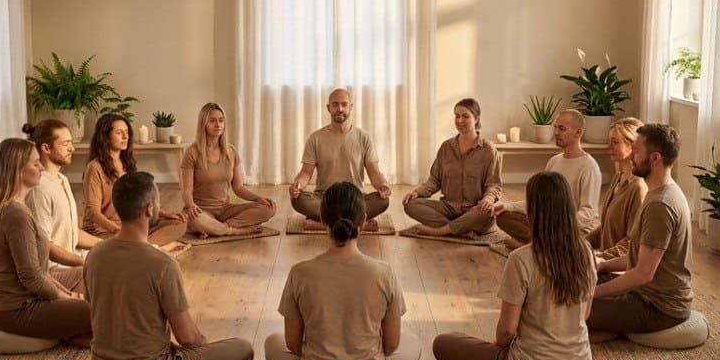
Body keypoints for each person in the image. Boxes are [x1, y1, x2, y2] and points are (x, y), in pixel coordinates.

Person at [84, 171, 253, 360]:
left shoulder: (94, 255)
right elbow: (188, 338)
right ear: (149, 209)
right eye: (158, 201)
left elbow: (94, 310)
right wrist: (204, 356)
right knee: (242, 349)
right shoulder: (162, 263)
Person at [433, 171, 594, 360]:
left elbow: (506, 332)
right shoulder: (587, 252)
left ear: (533, 211)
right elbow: (585, 314)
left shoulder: (522, 259)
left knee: (444, 343)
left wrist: (497, 352)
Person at [266, 182, 422, 360]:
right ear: (363, 221)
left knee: (273, 342)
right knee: (412, 343)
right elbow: (391, 346)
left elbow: (292, 344)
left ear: (321, 220)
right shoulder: (385, 273)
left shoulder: (299, 273)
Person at [0, 138, 92, 347]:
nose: (41, 167)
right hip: (16, 309)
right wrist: (66, 299)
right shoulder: (16, 216)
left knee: (87, 273)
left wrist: (68, 294)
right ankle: (79, 333)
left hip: (26, 299)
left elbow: (41, 272)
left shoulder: (18, 207)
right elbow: (31, 277)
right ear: (17, 170)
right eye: (35, 163)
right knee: (100, 311)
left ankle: (75, 332)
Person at [589, 123, 693, 339]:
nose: (631, 157)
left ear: (655, 158)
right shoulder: (657, 193)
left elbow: (643, 274)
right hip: (643, 293)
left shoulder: (660, 206)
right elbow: (639, 257)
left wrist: (591, 294)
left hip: (658, 306)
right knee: (574, 283)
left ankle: (607, 331)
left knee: (566, 307)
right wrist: (602, 265)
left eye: (636, 151)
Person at [288, 88, 392, 232]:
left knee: (383, 201)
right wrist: (297, 185)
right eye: (335, 105)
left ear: (351, 107)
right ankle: (357, 223)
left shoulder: (363, 137)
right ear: (328, 108)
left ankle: (323, 224)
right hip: (324, 198)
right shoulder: (315, 138)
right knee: (298, 200)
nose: (340, 109)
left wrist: (383, 186)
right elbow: (305, 173)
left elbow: (374, 172)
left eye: (344, 104)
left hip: (354, 198)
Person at [494, 110, 602, 247]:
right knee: (502, 216)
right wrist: (506, 205)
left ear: (578, 133)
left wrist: (558, 226)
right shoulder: (554, 161)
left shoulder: (589, 167)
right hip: (547, 224)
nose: (556, 133)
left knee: (543, 232)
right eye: (555, 127)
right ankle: (544, 246)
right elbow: (538, 201)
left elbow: (588, 212)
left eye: (562, 128)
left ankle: (539, 246)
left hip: (570, 229)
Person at [81, 113, 187, 250]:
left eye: (126, 132)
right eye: (119, 133)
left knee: (179, 223)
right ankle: (146, 246)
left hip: (129, 225)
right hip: (103, 230)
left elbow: (139, 202)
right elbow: (93, 213)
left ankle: (140, 245)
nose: (125, 137)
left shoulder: (126, 163)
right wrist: (117, 229)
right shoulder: (94, 168)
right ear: (105, 137)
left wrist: (164, 214)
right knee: (130, 238)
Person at [401, 98, 503, 238]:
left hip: (474, 209)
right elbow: (435, 180)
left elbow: (494, 185)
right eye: (457, 116)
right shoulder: (446, 147)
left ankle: (439, 231)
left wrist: (488, 199)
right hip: (448, 207)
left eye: (465, 116)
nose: (460, 120)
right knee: (410, 205)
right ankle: (461, 229)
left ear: (476, 118)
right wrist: (417, 193)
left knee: (486, 212)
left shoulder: (488, 150)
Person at [181, 102, 277, 237]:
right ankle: (235, 230)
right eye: (212, 121)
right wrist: (190, 205)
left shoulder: (231, 151)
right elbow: (186, 190)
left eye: (221, 120)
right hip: (201, 211)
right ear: (204, 124)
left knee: (269, 208)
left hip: (225, 210)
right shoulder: (192, 152)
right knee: (192, 218)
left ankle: (217, 228)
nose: (218, 125)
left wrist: (259, 199)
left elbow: (238, 188)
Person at [23, 120, 101, 267]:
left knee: (127, 254)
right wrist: (83, 263)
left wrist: (108, 245)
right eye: (65, 144)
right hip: (55, 270)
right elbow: (44, 244)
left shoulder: (62, 180)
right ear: (46, 148)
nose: (72, 149)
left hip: (73, 259)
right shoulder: (39, 188)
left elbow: (71, 232)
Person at [587, 117, 647, 260]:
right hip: (604, 260)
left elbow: (632, 242)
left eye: (615, 142)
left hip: (617, 268)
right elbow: (606, 228)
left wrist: (600, 259)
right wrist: (581, 243)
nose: (609, 147)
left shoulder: (638, 188)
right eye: (609, 142)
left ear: (632, 146)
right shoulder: (618, 178)